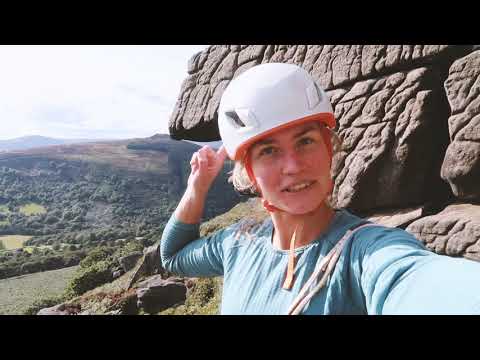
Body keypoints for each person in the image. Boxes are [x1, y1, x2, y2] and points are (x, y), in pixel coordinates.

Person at [160, 62, 480, 315]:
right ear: (250, 174)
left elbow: (419, 282)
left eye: (306, 141)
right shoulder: (237, 243)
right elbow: (172, 257)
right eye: (268, 150)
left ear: (329, 149)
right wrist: (198, 185)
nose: (293, 165)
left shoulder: (365, 252)